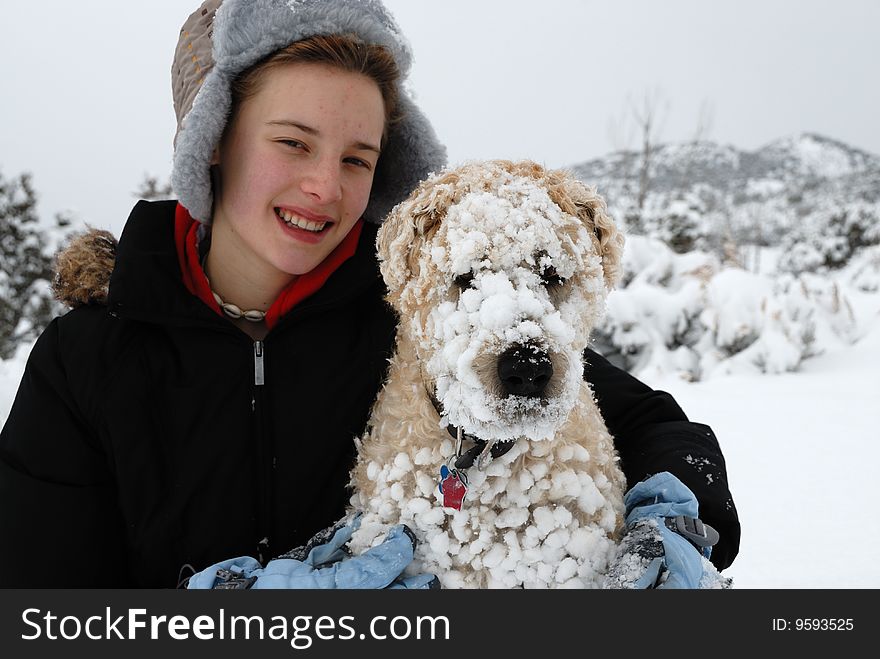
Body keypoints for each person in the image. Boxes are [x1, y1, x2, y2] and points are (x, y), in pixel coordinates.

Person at [0, 0, 738, 588]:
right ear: (216, 139)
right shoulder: (85, 361)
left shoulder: (416, 313)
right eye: (293, 142)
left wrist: (675, 515)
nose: (325, 187)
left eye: (359, 157)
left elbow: (646, 422)